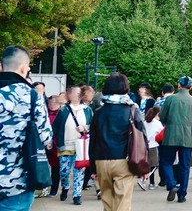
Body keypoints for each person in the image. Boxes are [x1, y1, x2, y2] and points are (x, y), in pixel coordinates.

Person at [0, 46, 53, 210]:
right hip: (17, 182)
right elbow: (45, 137)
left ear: (1, 67)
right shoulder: (31, 96)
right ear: (24, 68)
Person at [89, 72, 147, 210]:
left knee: (107, 203)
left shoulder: (99, 112)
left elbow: (93, 140)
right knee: (122, 203)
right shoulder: (132, 110)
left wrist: (92, 167)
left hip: (102, 160)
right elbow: (142, 137)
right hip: (124, 160)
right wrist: (145, 165)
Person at [159, 76, 192, 203]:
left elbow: (162, 116)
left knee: (166, 162)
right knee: (185, 166)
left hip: (171, 135)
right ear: (191, 87)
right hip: (187, 137)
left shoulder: (170, 99)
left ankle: (171, 184)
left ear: (178, 85)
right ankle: (182, 194)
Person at [52, 85, 93, 205]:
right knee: (64, 171)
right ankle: (65, 187)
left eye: (78, 93)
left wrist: (84, 128)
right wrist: (50, 140)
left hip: (81, 146)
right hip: (64, 145)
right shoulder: (63, 110)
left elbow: (93, 126)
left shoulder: (87, 110)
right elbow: (55, 126)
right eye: (74, 93)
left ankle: (77, 195)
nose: (76, 95)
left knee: (79, 171)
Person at [141, 105, 162, 190]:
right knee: (154, 165)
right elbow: (161, 132)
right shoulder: (157, 123)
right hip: (154, 145)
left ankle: (144, 180)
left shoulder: (145, 122)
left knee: (146, 164)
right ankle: (151, 183)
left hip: (145, 146)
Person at [46, 95, 62, 197]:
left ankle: (54, 188)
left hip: (56, 144)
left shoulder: (61, 113)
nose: (50, 105)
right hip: (44, 142)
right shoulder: (44, 112)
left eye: (52, 103)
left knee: (56, 168)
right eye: (49, 103)